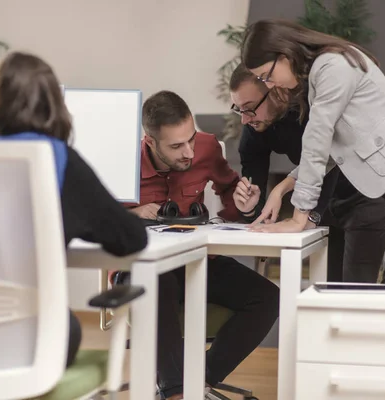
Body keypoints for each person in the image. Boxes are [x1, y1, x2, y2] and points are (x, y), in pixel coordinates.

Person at [240, 19, 385, 397]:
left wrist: (300, 216)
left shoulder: (331, 68)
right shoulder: (326, 70)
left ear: (283, 56)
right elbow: (334, 149)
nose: (270, 85)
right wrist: (284, 185)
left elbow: (318, 137)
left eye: (266, 76)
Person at [0, 51, 148, 368]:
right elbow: (130, 239)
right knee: (68, 325)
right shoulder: (60, 161)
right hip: (30, 343)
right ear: (54, 105)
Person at [114, 90, 279, 400]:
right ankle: (177, 393)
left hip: (195, 262)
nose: (189, 152)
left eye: (190, 139)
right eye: (176, 146)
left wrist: (244, 207)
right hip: (140, 269)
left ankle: (197, 380)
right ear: (150, 142)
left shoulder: (204, 148)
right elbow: (99, 217)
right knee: (157, 279)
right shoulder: (124, 159)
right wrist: (132, 214)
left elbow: (230, 194)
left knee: (267, 297)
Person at [230, 63, 385, 283]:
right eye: (238, 109)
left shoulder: (313, 105)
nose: (244, 119)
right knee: (332, 291)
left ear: (275, 89)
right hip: (325, 202)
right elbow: (258, 203)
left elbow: (327, 157)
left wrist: (305, 212)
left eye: (249, 107)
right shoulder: (254, 127)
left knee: (357, 292)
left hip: (363, 197)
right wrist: (250, 209)